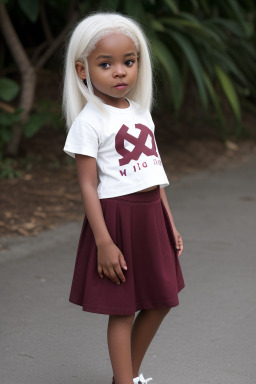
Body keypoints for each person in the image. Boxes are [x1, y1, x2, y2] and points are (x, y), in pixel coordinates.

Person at [62, 12, 185, 384]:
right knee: (123, 308)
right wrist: (103, 242)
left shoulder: (141, 112)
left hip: (151, 215)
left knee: (160, 301)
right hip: (117, 218)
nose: (120, 71)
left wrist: (171, 223)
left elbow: (154, 173)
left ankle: (125, 375)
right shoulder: (89, 121)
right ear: (83, 70)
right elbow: (87, 185)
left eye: (128, 62)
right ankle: (125, 380)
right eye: (106, 64)